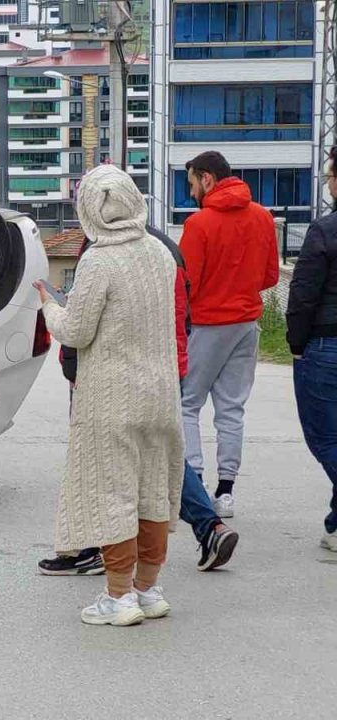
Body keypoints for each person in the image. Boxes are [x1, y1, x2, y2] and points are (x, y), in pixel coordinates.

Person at [38, 226, 240, 576]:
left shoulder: (101, 252)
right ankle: (204, 532)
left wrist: (52, 311)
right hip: (165, 367)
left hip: (110, 377)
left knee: (103, 467)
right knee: (158, 459)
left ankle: (96, 557)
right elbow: (181, 314)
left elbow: (82, 327)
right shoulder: (164, 250)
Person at [35, 165, 184, 626]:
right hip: (161, 393)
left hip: (113, 398)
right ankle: (148, 590)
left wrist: (48, 304)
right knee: (153, 492)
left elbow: (77, 330)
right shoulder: (160, 253)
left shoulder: (98, 260)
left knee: (112, 494)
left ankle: (118, 598)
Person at [178, 151, 280, 518]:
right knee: (231, 408)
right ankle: (226, 490)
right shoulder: (263, 217)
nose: (191, 193)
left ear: (207, 179)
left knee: (188, 403)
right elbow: (270, 276)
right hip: (246, 323)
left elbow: (187, 283)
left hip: (207, 323)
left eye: (192, 183)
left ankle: (194, 481)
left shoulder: (200, 223)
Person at [287, 145, 337, 552]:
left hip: (325, 342)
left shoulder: (324, 230)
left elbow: (303, 294)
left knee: (324, 436)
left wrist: (297, 345)